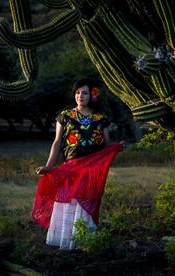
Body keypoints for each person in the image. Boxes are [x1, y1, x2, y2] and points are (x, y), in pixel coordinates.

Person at [31, 78, 123, 250]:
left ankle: (84, 243)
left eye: (85, 92)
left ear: (92, 95)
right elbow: (57, 142)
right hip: (71, 167)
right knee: (69, 200)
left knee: (86, 200)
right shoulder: (65, 116)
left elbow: (108, 143)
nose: (81, 95)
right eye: (78, 92)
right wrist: (49, 166)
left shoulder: (100, 118)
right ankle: (66, 241)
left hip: (91, 169)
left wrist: (117, 147)